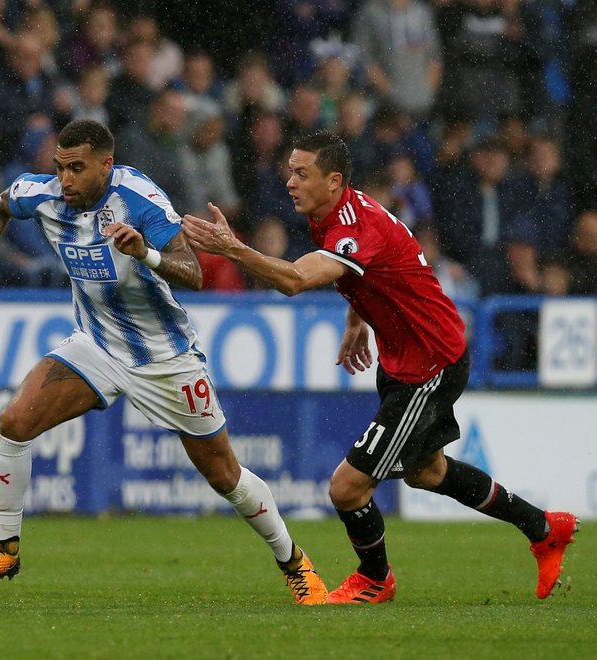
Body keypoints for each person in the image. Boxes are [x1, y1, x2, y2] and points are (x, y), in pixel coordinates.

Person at [182, 129, 578, 604]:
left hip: (428, 365)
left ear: (333, 181)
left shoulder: (352, 226)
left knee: (347, 488)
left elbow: (295, 280)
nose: (289, 181)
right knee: (427, 472)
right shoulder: (337, 212)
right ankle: (543, 527)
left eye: (301, 173)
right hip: (408, 354)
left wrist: (233, 249)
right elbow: (373, 272)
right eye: (289, 170)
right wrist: (357, 320)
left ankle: (375, 579)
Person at [0, 119, 328, 606]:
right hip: (98, 344)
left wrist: (144, 252)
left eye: (77, 169)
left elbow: (192, 274)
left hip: (165, 357)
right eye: (60, 168)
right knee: (15, 421)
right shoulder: (41, 195)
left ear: (106, 164)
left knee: (224, 475)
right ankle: (4, 548)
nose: (65, 180)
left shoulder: (139, 199)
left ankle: (294, 561)